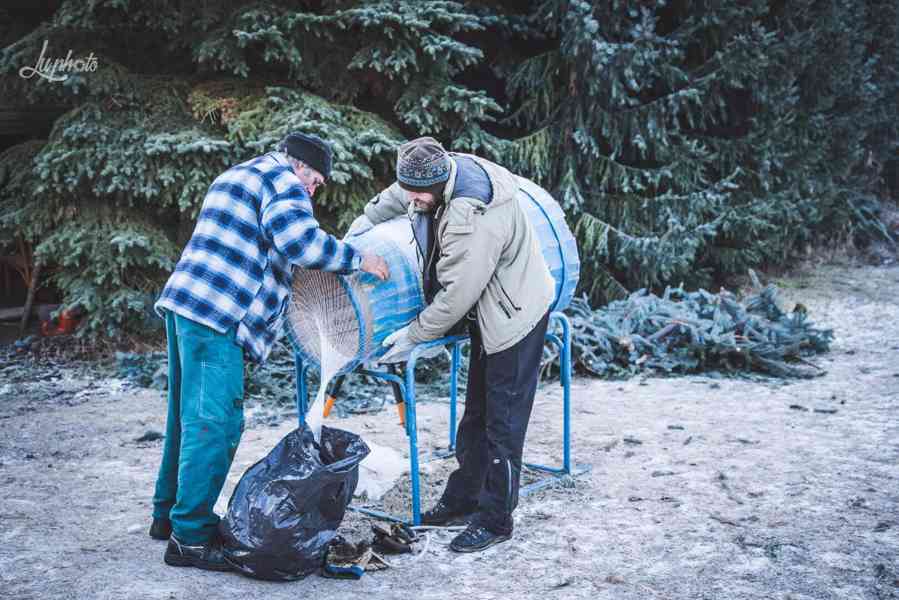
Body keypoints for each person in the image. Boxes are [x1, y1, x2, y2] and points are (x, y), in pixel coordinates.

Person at [149, 132, 389, 571]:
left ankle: (170, 517)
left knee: (187, 418)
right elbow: (299, 242)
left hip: (188, 305)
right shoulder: (284, 182)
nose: (313, 192)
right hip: (218, 314)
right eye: (316, 182)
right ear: (302, 167)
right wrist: (359, 259)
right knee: (215, 425)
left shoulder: (239, 173)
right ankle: (190, 539)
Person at [357, 137, 556, 552]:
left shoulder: (472, 214)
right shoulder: (430, 173)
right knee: (475, 417)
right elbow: (400, 193)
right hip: (488, 312)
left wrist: (413, 336)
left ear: (438, 183)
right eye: (407, 190)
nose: (411, 201)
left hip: (514, 315)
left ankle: (496, 519)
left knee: (503, 423)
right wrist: (364, 224)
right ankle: (464, 498)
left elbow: (456, 296)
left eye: (417, 195)